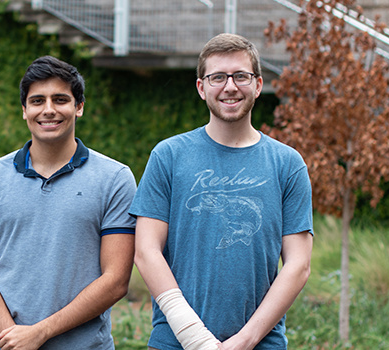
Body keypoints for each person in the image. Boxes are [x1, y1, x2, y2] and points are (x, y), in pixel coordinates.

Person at [129, 33, 313, 350]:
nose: (230, 87)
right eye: (218, 77)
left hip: (261, 343)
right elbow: (146, 252)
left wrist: (245, 340)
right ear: (202, 87)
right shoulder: (168, 156)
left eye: (240, 76)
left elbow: (298, 265)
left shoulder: (287, 164)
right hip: (175, 341)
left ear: (257, 84)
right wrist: (195, 338)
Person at [0, 55, 137, 350]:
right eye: (37, 101)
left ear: (79, 107)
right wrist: (15, 338)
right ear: (24, 110)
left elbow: (116, 279)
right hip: (3, 345)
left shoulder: (114, 178)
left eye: (60, 99)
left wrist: (40, 333)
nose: (49, 110)